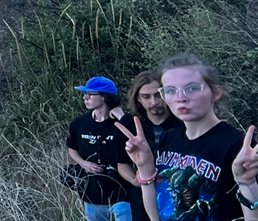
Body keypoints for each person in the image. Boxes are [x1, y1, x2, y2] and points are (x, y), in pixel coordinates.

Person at [114, 54, 258, 221]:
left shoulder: (236, 146)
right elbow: (157, 215)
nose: (180, 98)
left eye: (192, 88)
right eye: (170, 91)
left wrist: (247, 183)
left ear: (215, 93)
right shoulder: (169, 139)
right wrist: (146, 168)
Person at [115, 70, 185, 221]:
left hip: (179, 195)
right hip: (142, 198)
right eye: (146, 97)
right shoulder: (128, 123)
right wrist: (135, 180)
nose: (153, 102)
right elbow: (122, 163)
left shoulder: (183, 121)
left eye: (158, 95)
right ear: (138, 99)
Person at [68, 76, 131, 221]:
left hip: (122, 189)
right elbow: (72, 148)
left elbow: (137, 143)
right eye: (84, 94)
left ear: (104, 97)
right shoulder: (79, 123)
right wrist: (84, 163)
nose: (85, 97)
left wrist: (122, 118)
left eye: (90, 94)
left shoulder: (122, 122)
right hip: (93, 191)